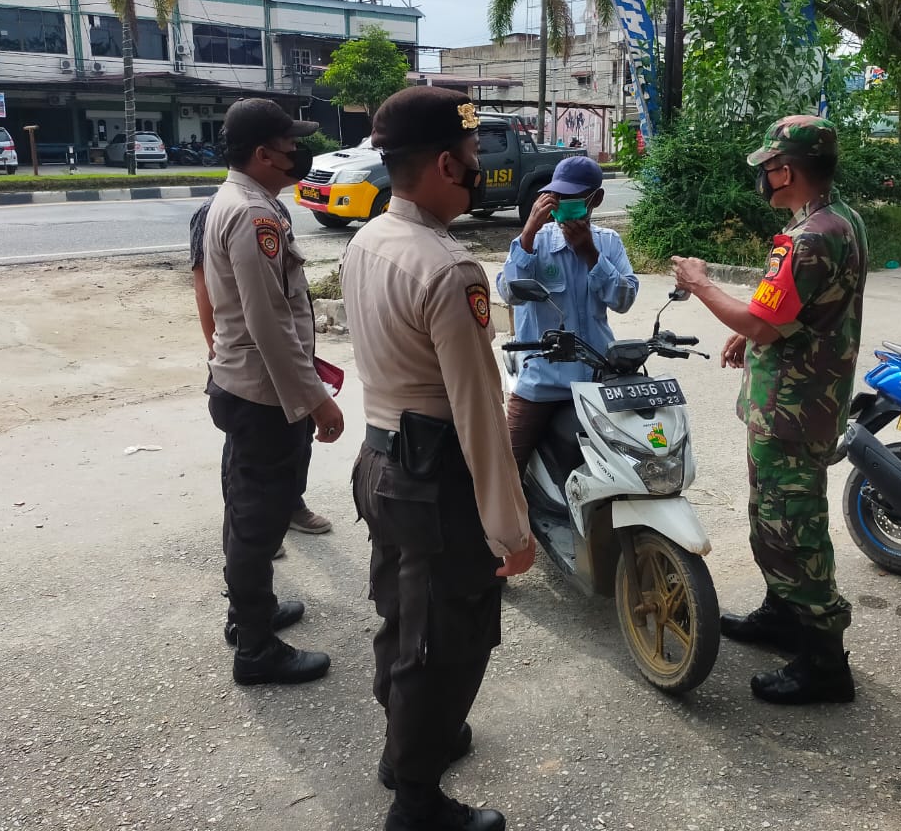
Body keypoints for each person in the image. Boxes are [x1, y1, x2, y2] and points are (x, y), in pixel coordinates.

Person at [341, 87, 536, 831]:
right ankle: (415, 803)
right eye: (474, 155)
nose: (479, 166)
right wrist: (511, 534)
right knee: (444, 641)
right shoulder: (450, 268)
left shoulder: (370, 238)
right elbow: (480, 413)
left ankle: (409, 745)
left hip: (381, 457)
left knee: (402, 612)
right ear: (448, 164)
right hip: (435, 474)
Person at [671, 115, 868, 706]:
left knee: (792, 527)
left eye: (768, 167)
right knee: (773, 515)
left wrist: (701, 285)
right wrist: (755, 336)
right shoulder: (837, 219)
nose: (764, 177)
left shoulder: (811, 237)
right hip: (802, 399)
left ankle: (825, 663)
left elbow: (763, 317)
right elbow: (784, 313)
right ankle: (782, 616)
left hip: (794, 408)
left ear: (786, 170)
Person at [202, 98, 344, 687]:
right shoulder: (254, 215)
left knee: (245, 506)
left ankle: (248, 613)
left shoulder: (235, 199)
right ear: (262, 154)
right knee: (259, 517)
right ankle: (256, 649)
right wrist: (315, 398)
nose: (299, 155)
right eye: (290, 146)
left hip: (241, 384)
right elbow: (269, 322)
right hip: (262, 393)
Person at [190, 196, 334, 550]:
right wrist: (216, 349)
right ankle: (247, 531)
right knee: (247, 455)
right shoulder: (216, 213)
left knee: (298, 436)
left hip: (290, 353)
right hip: (249, 365)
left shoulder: (275, 209)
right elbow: (203, 286)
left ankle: (288, 505)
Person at [496, 154, 638, 472]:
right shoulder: (534, 243)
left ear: (595, 200)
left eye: (573, 199)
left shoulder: (608, 243)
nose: (563, 206)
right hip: (540, 383)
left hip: (597, 379)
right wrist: (528, 233)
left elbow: (624, 299)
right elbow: (509, 293)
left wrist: (590, 254)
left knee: (628, 462)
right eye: (557, 198)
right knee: (504, 472)